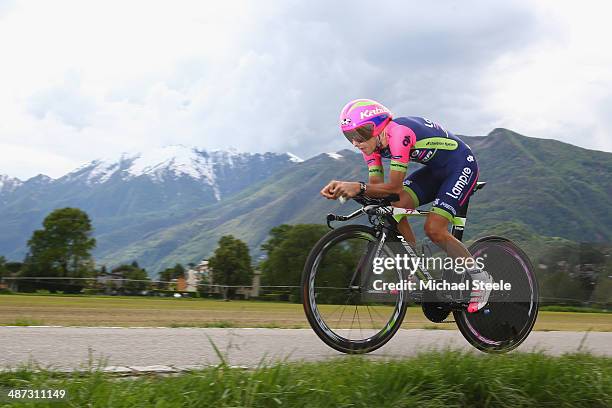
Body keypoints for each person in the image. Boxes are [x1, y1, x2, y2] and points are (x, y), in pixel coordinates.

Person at [320, 98, 492, 313]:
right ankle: (416, 271)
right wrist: (350, 191)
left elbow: (392, 186)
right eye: (349, 136)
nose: (355, 142)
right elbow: (377, 189)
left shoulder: (398, 133)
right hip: (435, 171)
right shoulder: (370, 146)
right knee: (393, 209)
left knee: (434, 229)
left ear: (376, 126)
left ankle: (481, 278)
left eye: (358, 134)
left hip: (460, 165)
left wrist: (358, 187)